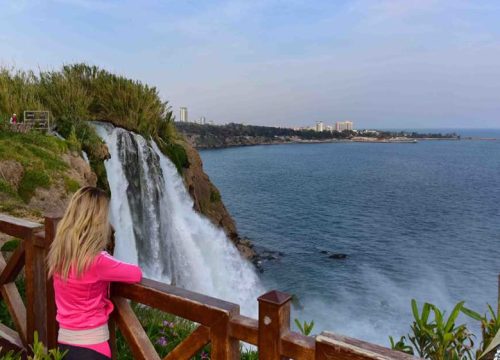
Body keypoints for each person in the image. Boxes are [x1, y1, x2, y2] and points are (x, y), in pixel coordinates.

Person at [47, 187, 142, 359]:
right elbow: (135, 273)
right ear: (97, 222)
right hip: (92, 347)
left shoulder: (59, 254)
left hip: (65, 344)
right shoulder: (98, 262)